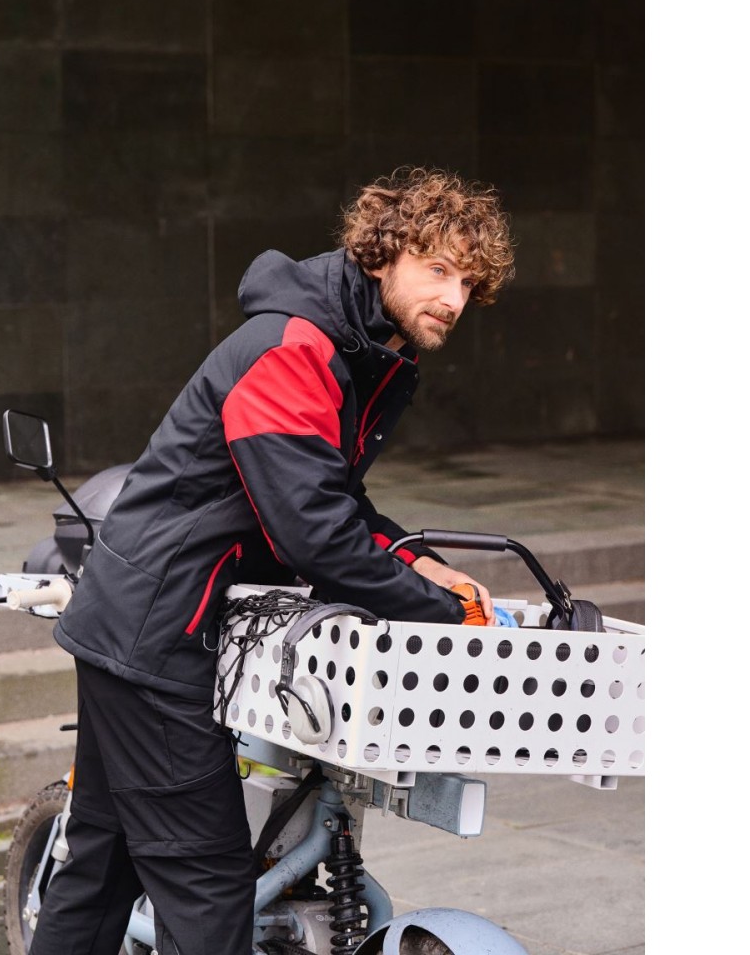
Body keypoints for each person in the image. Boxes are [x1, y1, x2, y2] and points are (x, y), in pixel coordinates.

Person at [29, 166, 515, 955]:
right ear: (382, 255)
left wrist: (420, 564)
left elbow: (330, 495)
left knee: (102, 868)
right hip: (158, 635)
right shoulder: (294, 349)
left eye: (468, 283)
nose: (454, 299)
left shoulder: (353, 349)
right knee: (208, 885)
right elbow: (311, 532)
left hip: (138, 619)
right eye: (437, 270)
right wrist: (441, 614)